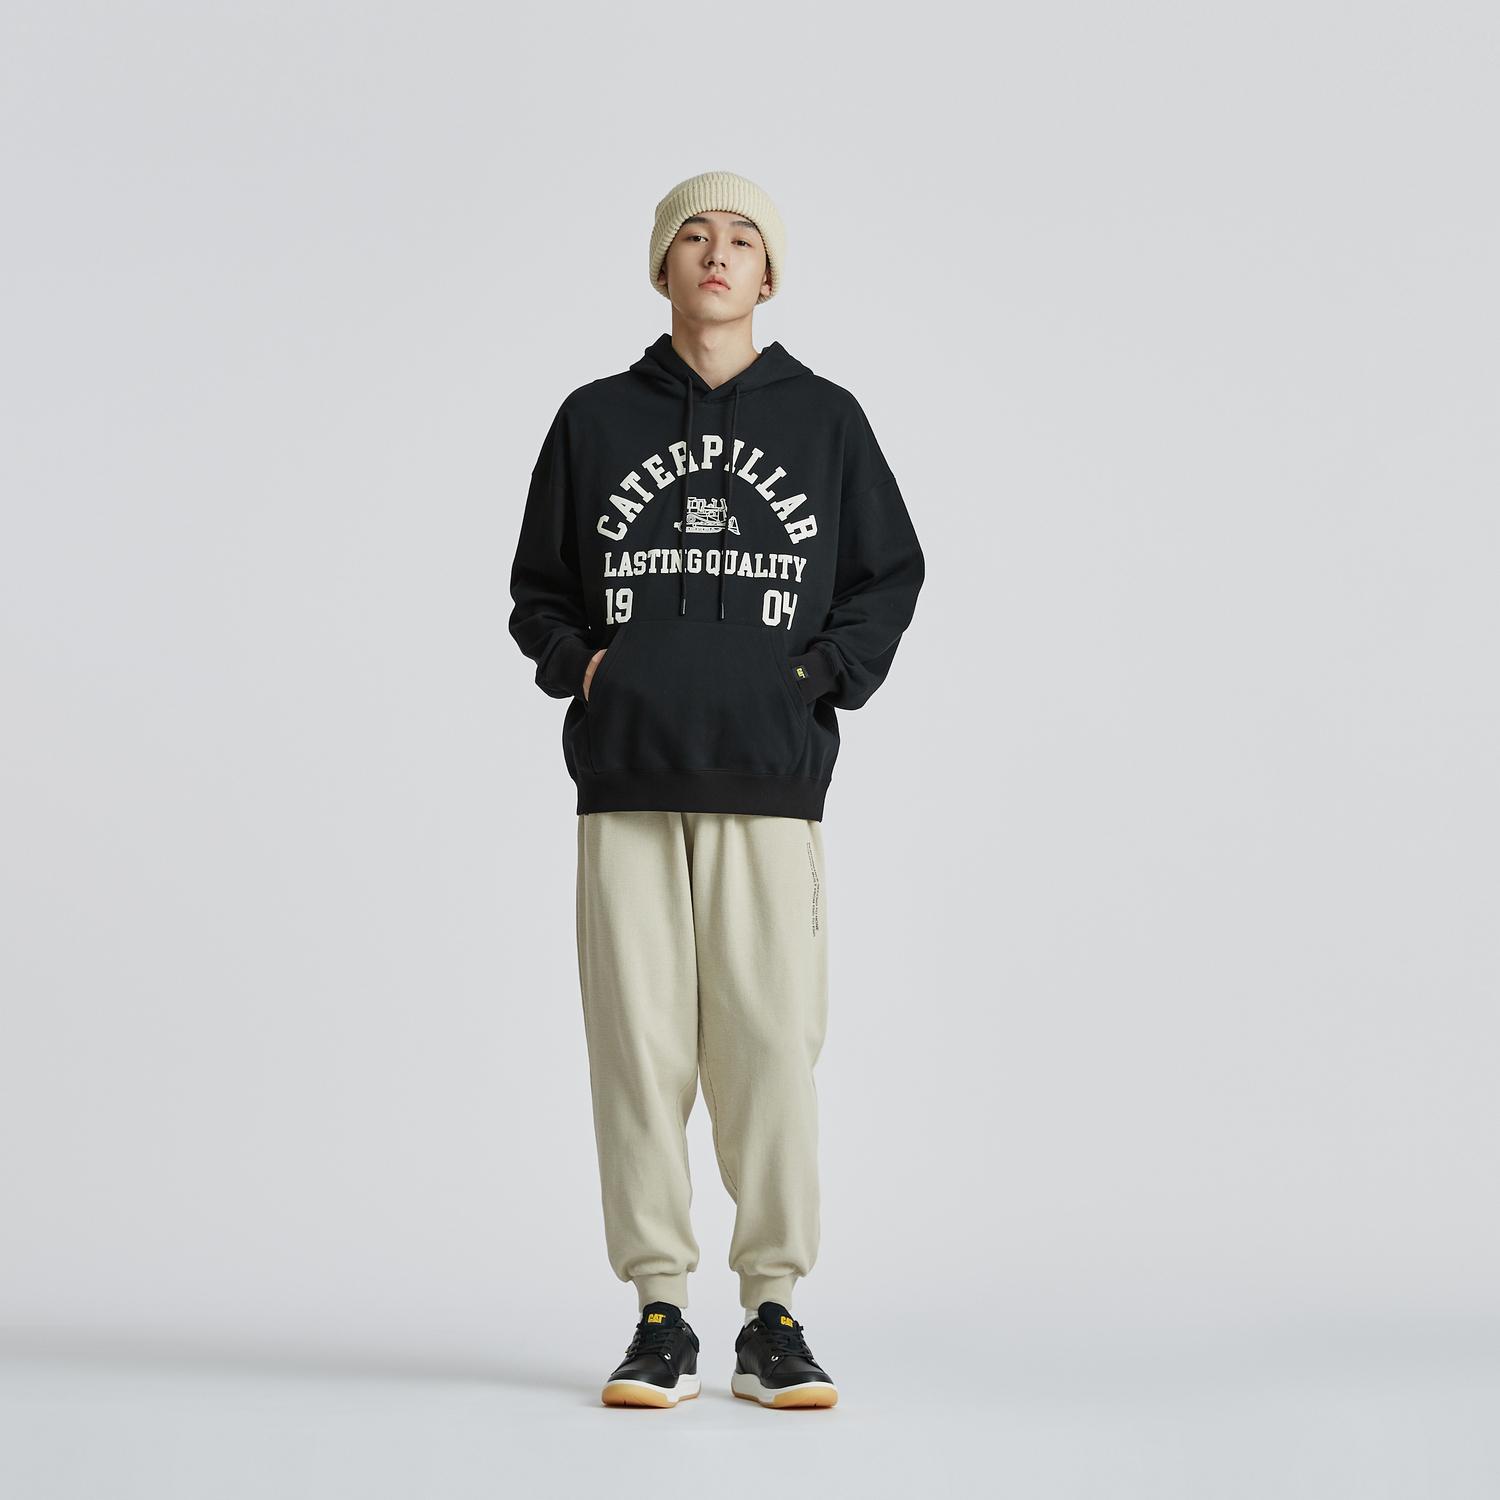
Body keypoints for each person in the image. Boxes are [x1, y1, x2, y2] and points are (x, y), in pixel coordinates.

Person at [507, 169, 925, 1410]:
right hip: (627, 778)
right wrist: (590, 669)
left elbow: (888, 575)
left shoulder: (827, 420)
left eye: (743, 236)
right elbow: (538, 591)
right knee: (636, 1053)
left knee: (771, 1050)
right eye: (694, 233)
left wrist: (813, 679)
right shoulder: (593, 419)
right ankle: (659, 1312)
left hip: (769, 782)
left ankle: (774, 1311)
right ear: (663, 266)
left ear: (769, 274)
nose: (717, 251)